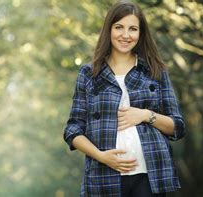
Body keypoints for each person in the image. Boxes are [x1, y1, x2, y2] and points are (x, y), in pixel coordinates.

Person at [63, 1, 186, 197]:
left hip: (150, 175)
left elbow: (177, 127)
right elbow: (73, 129)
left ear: (141, 33)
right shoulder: (89, 73)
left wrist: (146, 115)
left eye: (133, 29)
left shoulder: (155, 71)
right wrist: (101, 156)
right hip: (104, 177)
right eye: (119, 27)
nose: (126, 35)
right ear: (108, 30)